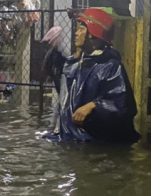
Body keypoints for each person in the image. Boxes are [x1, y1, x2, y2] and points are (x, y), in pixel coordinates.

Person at [41, 8, 140, 143]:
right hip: (69, 136)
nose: (76, 33)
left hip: (94, 141)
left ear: (93, 33)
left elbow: (123, 106)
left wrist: (94, 106)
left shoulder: (111, 67)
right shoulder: (74, 64)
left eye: (81, 29)